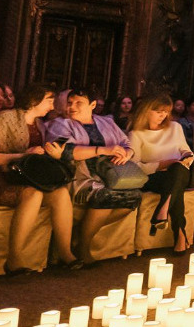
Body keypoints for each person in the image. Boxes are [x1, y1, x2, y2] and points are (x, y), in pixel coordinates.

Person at [0, 84, 81, 274]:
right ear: (34, 100)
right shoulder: (4, 119)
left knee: (61, 193)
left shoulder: (39, 125)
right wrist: (22, 155)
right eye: (48, 99)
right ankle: (14, 258)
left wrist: (52, 155)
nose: (52, 104)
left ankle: (65, 253)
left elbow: (35, 159)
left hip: (25, 176)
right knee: (33, 194)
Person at [47, 87, 141, 265]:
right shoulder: (62, 124)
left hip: (111, 174)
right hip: (79, 177)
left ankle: (81, 231)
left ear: (92, 105)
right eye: (70, 102)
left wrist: (127, 153)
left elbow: (125, 142)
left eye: (78, 103)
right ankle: (83, 246)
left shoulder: (106, 122)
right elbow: (63, 150)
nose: (72, 107)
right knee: (105, 195)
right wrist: (101, 150)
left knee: (134, 198)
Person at [128, 95, 194, 253]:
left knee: (178, 172)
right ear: (147, 111)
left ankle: (163, 209)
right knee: (176, 183)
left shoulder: (175, 127)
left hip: (177, 171)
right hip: (151, 177)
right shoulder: (136, 134)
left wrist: (187, 156)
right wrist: (163, 164)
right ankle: (179, 234)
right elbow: (134, 166)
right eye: (158, 111)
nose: (163, 115)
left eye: (166, 112)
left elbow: (184, 149)